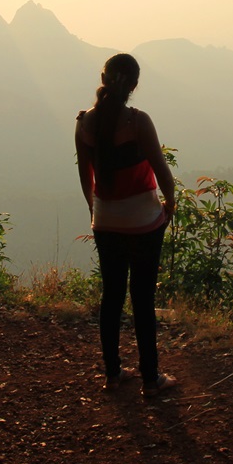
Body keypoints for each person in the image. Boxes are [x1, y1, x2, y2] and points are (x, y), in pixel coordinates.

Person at [75, 53, 179, 397]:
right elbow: (162, 172)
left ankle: (112, 374)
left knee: (112, 296)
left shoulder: (84, 123)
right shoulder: (137, 122)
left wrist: (97, 211)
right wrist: (170, 204)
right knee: (142, 299)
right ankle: (151, 379)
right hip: (144, 222)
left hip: (105, 221)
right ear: (133, 86)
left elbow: (85, 177)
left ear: (103, 78)